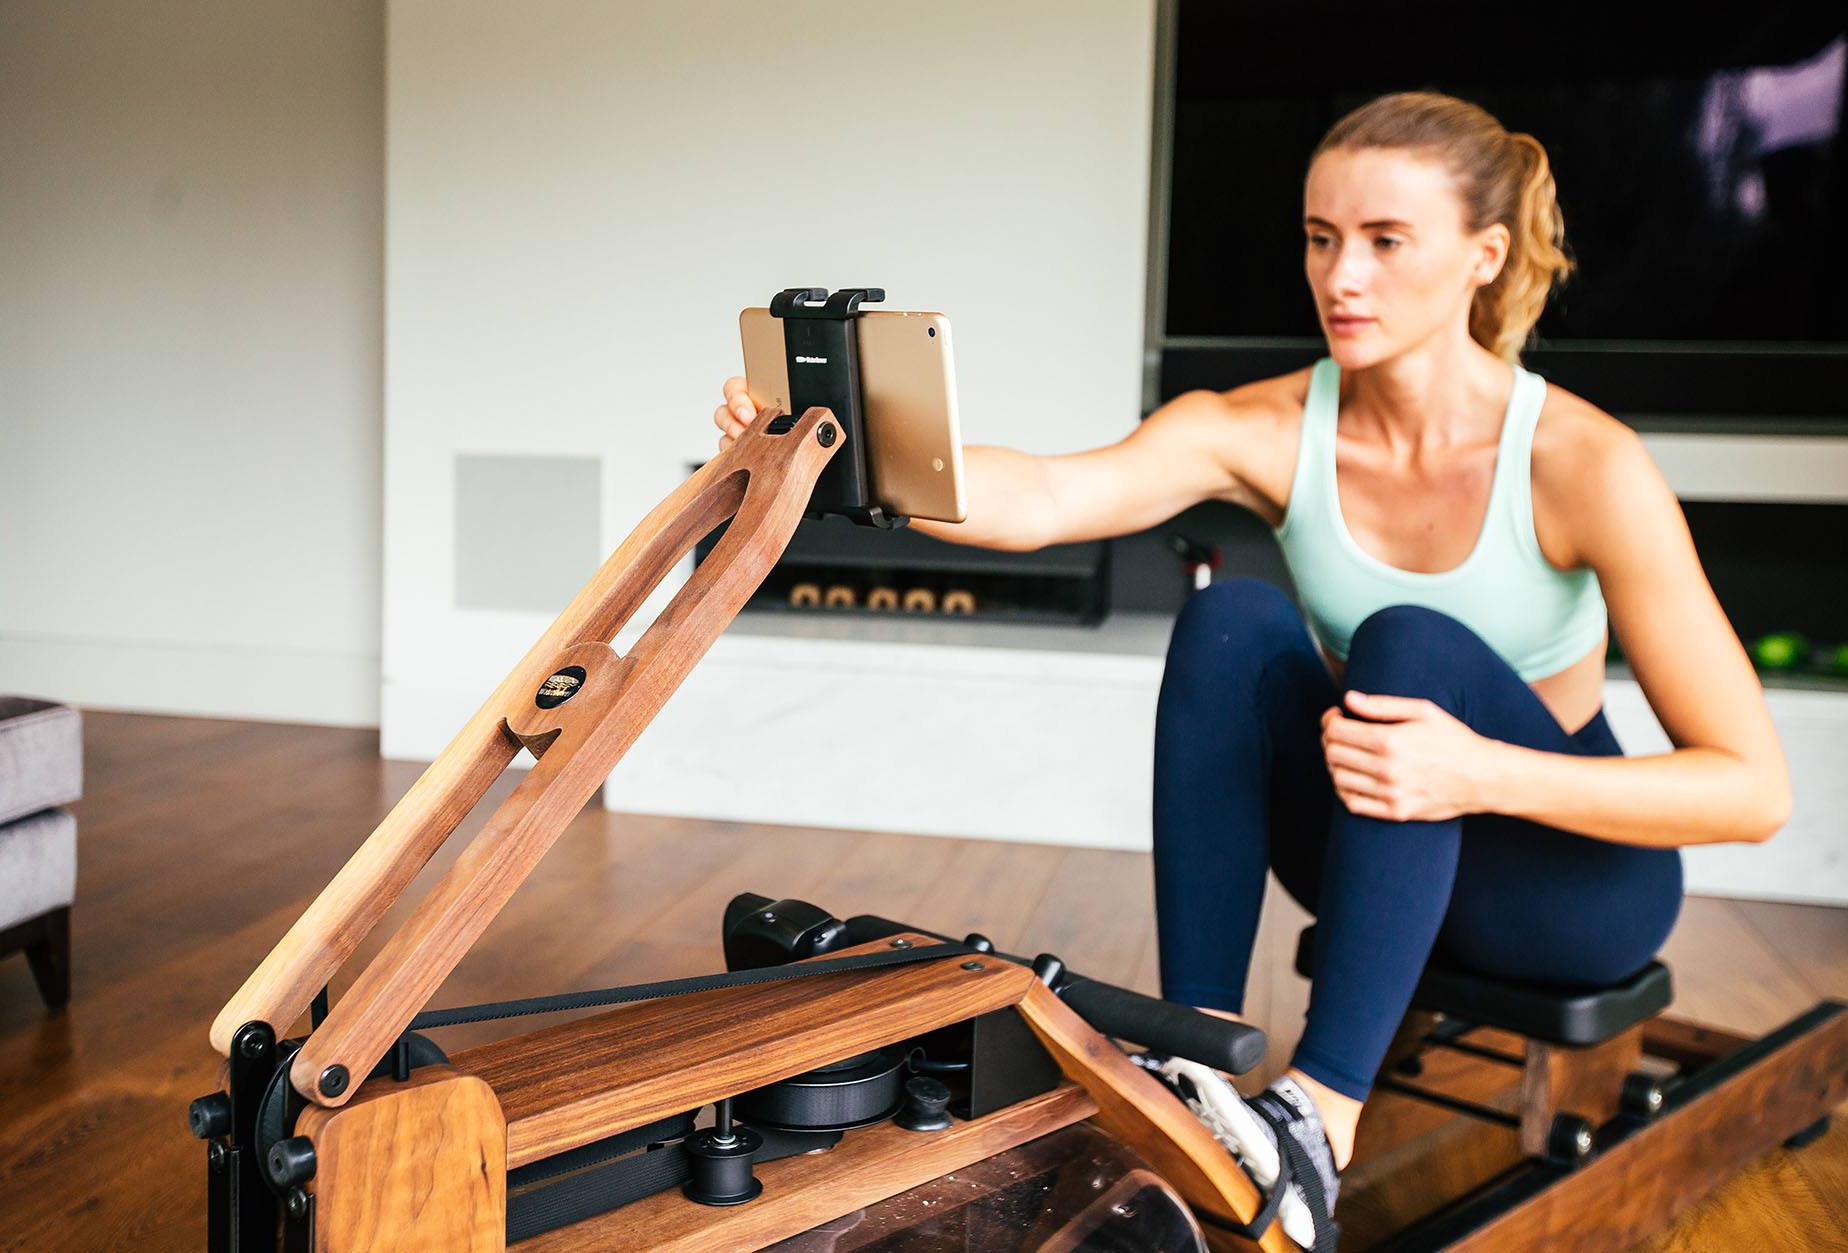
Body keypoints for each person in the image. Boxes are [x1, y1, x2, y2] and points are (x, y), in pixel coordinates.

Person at [711, 90, 1791, 1250]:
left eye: (1385, 241)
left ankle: (1316, 1125)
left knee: (1408, 641)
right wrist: (836, 447)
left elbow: (1749, 790)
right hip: (1379, 855)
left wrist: (1476, 771)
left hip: (1561, 888)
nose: (1340, 276)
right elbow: (1051, 495)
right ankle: (1195, 1066)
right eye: (1321, 238)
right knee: (1229, 617)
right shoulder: (1269, 426)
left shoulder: (1581, 462)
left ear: (1482, 256)